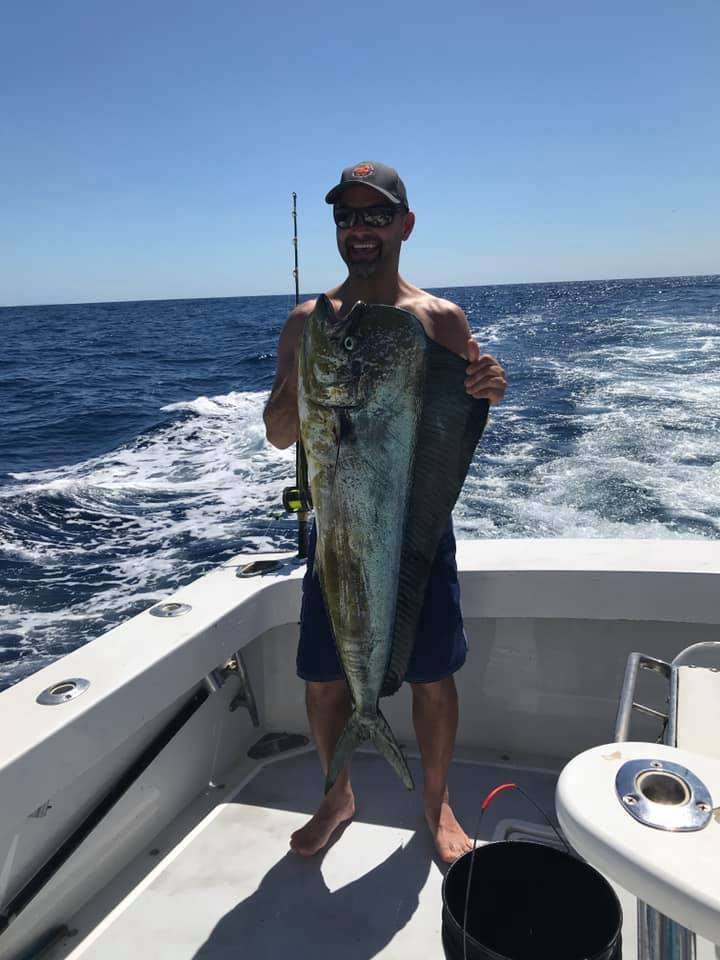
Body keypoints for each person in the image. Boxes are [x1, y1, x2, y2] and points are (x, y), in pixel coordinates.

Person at [263, 161, 507, 863]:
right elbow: (282, 435)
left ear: (404, 224)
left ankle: (436, 805)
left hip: (416, 527)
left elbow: (460, 420)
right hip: (337, 530)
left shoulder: (441, 319)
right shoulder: (307, 321)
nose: (359, 230)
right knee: (322, 676)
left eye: (375, 215)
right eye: (347, 216)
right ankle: (337, 795)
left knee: (432, 675)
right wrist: (294, 387)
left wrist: (489, 385)